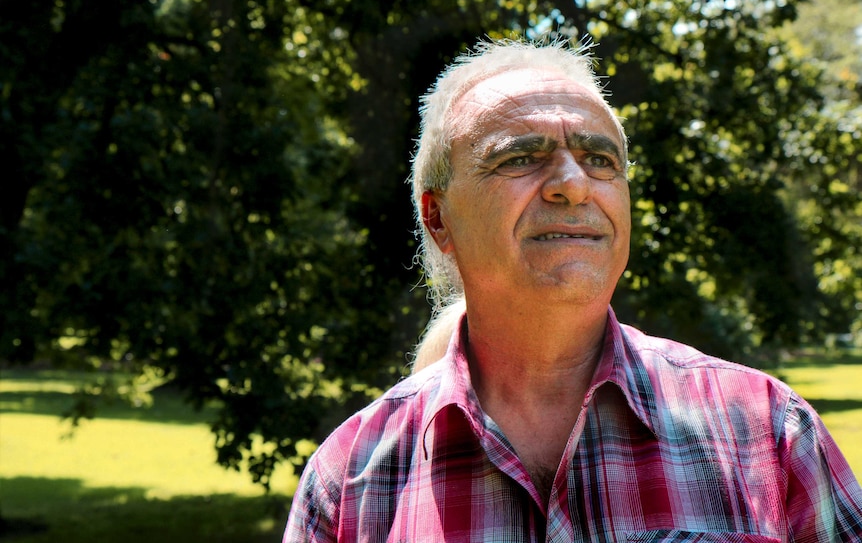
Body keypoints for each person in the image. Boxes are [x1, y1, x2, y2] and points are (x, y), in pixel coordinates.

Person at [283, 37, 862, 542]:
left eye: (599, 158)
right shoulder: (350, 481)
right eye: (521, 157)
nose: (573, 184)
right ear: (438, 220)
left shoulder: (768, 432)